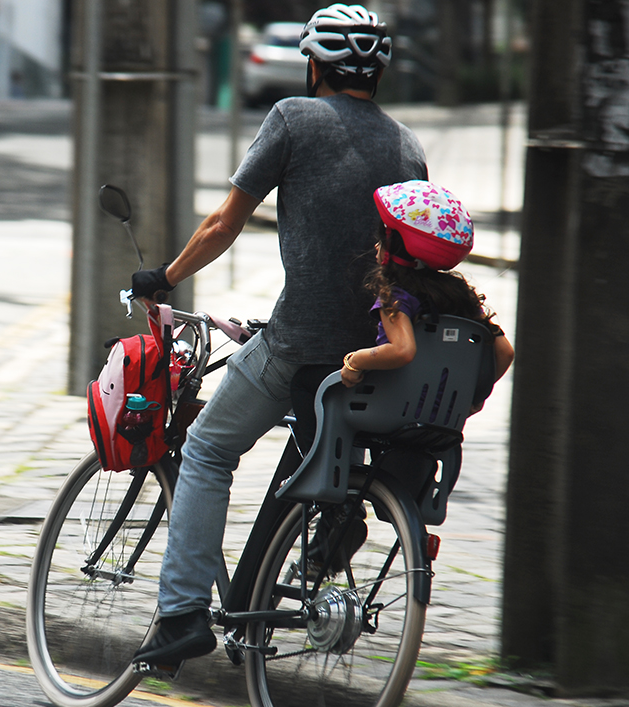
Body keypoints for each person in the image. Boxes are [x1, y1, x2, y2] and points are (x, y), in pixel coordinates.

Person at [128, 3, 428, 667]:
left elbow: (224, 223)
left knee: (207, 449)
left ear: (315, 63)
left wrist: (166, 276)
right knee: (306, 443)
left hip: (299, 341)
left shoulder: (294, 118)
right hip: (371, 358)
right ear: (376, 73)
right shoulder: (408, 147)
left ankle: (179, 615)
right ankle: (271, 587)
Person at [289, 181, 516, 455]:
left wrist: (354, 361)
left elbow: (402, 350)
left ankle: (319, 464)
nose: (376, 245)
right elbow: (504, 352)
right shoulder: (462, 297)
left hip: (391, 407)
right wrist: (472, 397)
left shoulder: (395, 295)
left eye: (383, 238)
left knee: (304, 382)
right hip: (443, 415)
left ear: (394, 247)